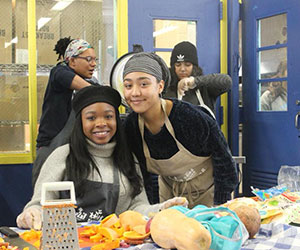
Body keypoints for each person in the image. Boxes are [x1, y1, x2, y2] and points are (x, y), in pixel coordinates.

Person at [17, 85, 187, 230]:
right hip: (66, 243)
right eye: (91, 117)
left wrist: (160, 209)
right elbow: (38, 204)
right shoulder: (63, 156)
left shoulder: (127, 158)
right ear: (80, 122)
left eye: (108, 116)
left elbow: (136, 208)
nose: (101, 123)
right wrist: (32, 214)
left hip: (111, 244)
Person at [122, 52, 238, 208]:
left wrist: (220, 207)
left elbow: (225, 163)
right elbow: (147, 175)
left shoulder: (188, 117)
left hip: (208, 193)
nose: (135, 92)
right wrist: (154, 209)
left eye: (144, 84)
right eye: (128, 85)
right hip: (170, 193)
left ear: (160, 86)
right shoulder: (131, 126)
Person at [32, 38, 99, 187]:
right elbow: (90, 90)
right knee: (45, 192)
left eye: (95, 59)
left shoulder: (91, 82)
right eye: (88, 59)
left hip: (74, 151)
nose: (93, 64)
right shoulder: (59, 72)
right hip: (50, 146)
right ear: (72, 61)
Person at [164, 41, 232, 116]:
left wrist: (194, 81)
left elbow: (227, 81)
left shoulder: (205, 88)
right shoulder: (166, 89)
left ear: (194, 67)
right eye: (178, 65)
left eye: (187, 65)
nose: (182, 69)